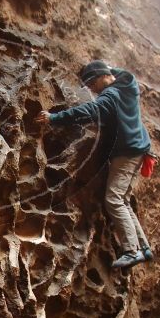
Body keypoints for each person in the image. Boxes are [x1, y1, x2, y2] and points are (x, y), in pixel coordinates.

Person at [35, 60, 152, 269]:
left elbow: (89, 110)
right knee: (123, 199)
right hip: (139, 150)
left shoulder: (110, 97)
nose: (91, 89)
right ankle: (144, 248)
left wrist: (54, 118)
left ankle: (132, 251)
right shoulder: (129, 83)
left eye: (91, 84)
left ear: (100, 78)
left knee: (114, 199)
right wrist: (104, 69)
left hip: (126, 153)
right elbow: (112, 72)